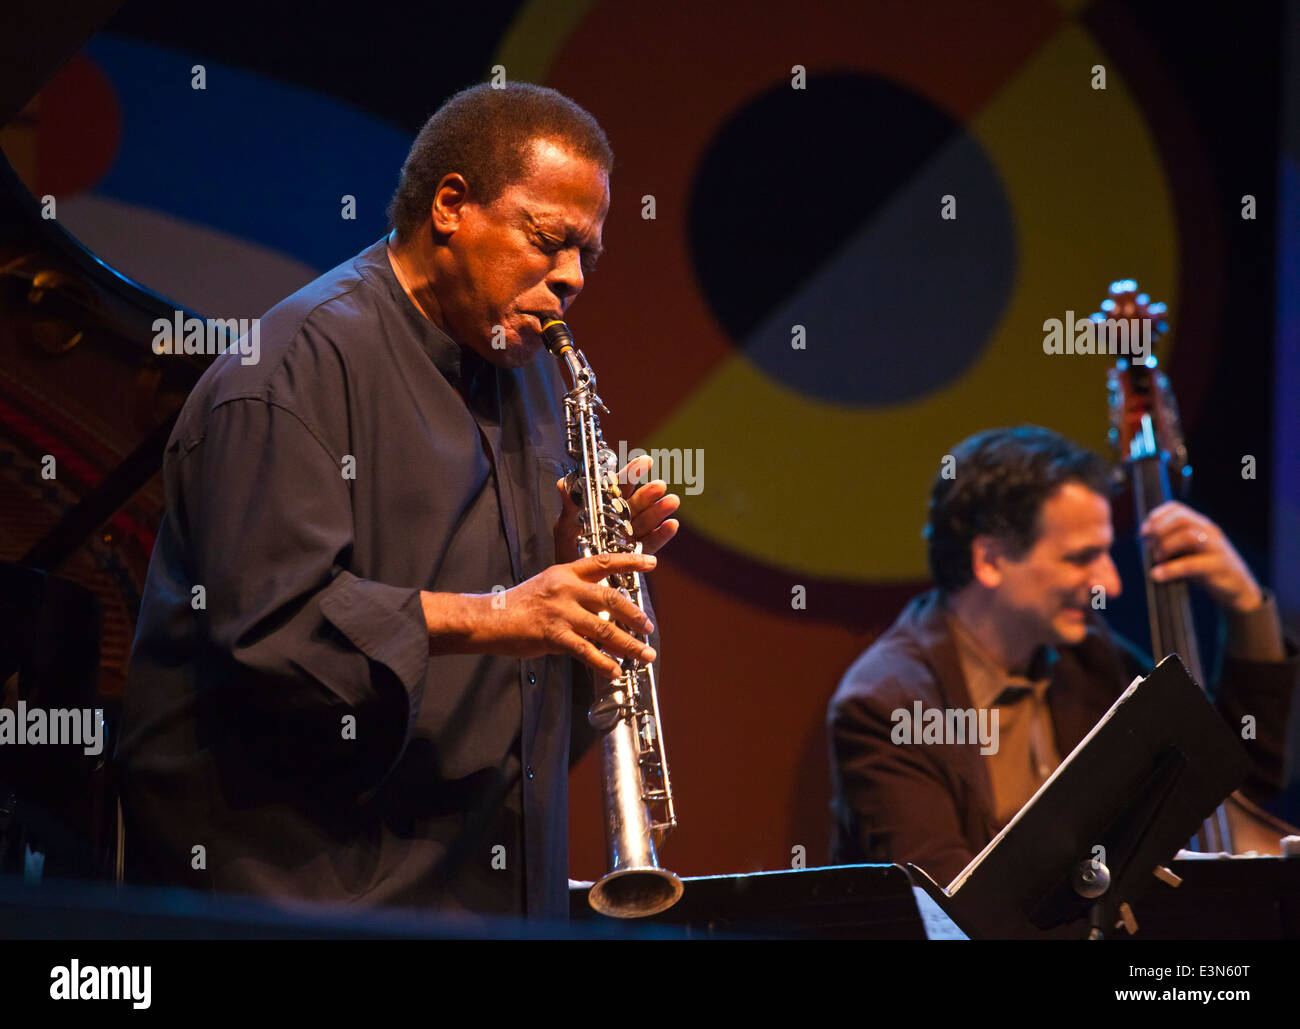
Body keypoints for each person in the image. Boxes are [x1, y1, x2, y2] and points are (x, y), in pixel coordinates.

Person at [116, 83, 682, 919]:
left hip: (488, 897)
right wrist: (500, 615)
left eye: (587, 256)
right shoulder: (291, 368)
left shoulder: (529, 380)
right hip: (304, 902)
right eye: (548, 240)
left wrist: (581, 576)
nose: (570, 279)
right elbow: (269, 633)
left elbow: (519, 682)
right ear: (451, 205)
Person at [827, 425, 1296, 888]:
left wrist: (1246, 607)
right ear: (989, 560)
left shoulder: (1087, 654)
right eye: (1080, 558)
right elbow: (951, 913)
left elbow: (1229, 785)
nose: (1110, 585)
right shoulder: (886, 704)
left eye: (1107, 554)